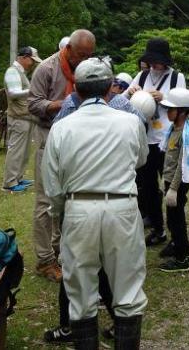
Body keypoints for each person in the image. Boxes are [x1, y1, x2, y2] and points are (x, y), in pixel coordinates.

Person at [42, 58, 148, 350]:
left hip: (78, 208)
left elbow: (52, 184)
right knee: (127, 291)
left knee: (81, 296)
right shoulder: (130, 122)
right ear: (109, 88)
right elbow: (140, 160)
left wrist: (63, 213)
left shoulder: (61, 128)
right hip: (122, 207)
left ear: (76, 89)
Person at [28, 29, 96, 282]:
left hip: (76, 139)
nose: (84, 59)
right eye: (81, 55)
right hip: (49, 136)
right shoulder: (46, 69)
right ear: (68, 49)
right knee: (46, 200)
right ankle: (45, 259)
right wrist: (65, 102)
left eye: (89, 55)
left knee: (69, 196)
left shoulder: (88, 68)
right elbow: (33, 104)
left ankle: (61, 249)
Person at [124, 37, 186, 246]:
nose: (155, 66)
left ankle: (176, 235)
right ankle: (158, 229)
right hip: (146, 140)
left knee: (170, 187)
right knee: (148, 188)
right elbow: (123, 99)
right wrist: (130, 92)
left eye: (158, 62)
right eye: (152, 62)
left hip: (168, 141)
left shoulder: (177, 78)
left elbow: (184, 105)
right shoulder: (141, 77)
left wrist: (164, 98)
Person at [159, 87, 189, 273]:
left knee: (177, 221)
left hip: (177, 183)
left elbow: (183, 165)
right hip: (169, 181)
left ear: (182, 111)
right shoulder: (173, 129)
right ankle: (177, 246)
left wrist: (173, 188)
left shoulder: (186, 134)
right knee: (171, 219)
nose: (167, 112)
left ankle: (184, 257)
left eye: (171, 109)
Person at [2, 46, 41, 193]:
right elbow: (13, 93)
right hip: (18, 118)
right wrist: (33, 91)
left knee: (24, 152)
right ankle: (10, 182)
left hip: (25, 117)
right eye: (32, 60)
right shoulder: (13, 71)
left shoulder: (21, 72)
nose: (32, 63)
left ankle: (18, 177)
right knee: (16, 151)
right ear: (24, 57)